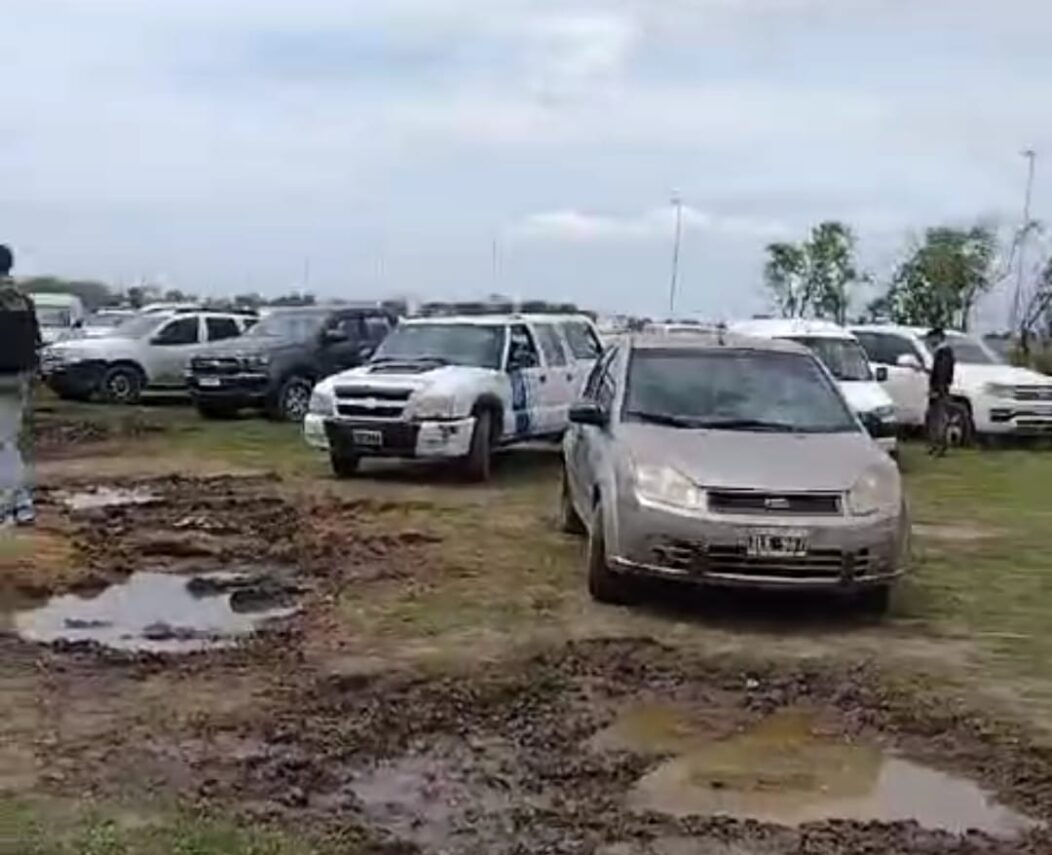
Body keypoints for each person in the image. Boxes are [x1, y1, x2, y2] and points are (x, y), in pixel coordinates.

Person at [0, 244, 41, 525]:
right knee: (8, 442)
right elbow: (36, 339)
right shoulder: (23, 298)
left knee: (4, 445)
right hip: (19, 380)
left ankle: (14, 505)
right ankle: (21, 504)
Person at [925, 326, 956, 457]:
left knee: (939, 419)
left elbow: (942, 373)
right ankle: (935, 446)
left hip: (940, 390)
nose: (930, 341)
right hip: (940, 389)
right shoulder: (941, 352)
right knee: (933, 417)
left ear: (938, 337)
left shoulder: (944, 353)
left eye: (932, 338)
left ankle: (940, 447)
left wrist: (937, 390)